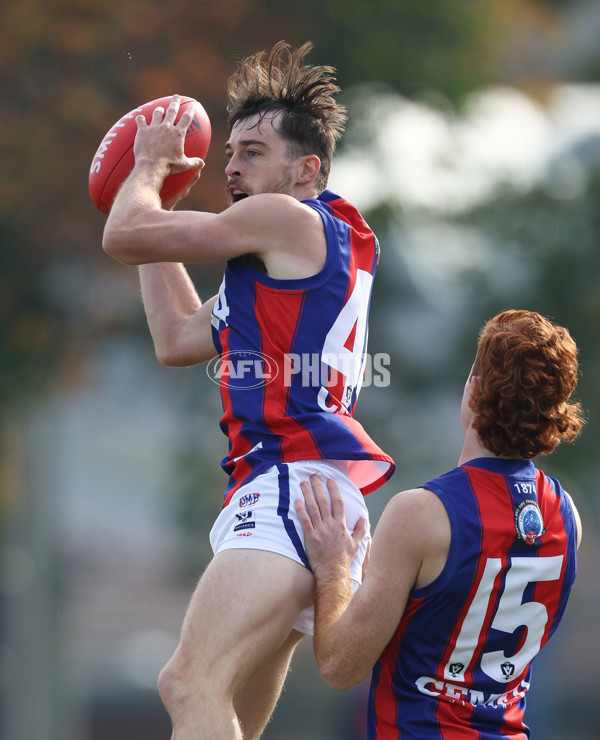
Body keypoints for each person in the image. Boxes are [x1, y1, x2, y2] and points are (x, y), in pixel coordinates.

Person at [102, 41, 395, 739]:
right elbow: (176, 337)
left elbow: (123, 235)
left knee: (186, 681)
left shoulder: (289, 219)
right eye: (229, 151)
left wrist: (144, 169)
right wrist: (158, 208)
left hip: (293, 487)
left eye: (253, 152)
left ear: (306, 170)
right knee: (223, 709)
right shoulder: (281, 260)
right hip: (307, 492)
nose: (231, 164)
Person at [296, 309, 584, 739]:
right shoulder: (567, 515)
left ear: (475, 391)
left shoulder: (421, 513)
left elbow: (341, 667)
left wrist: (334, 566)